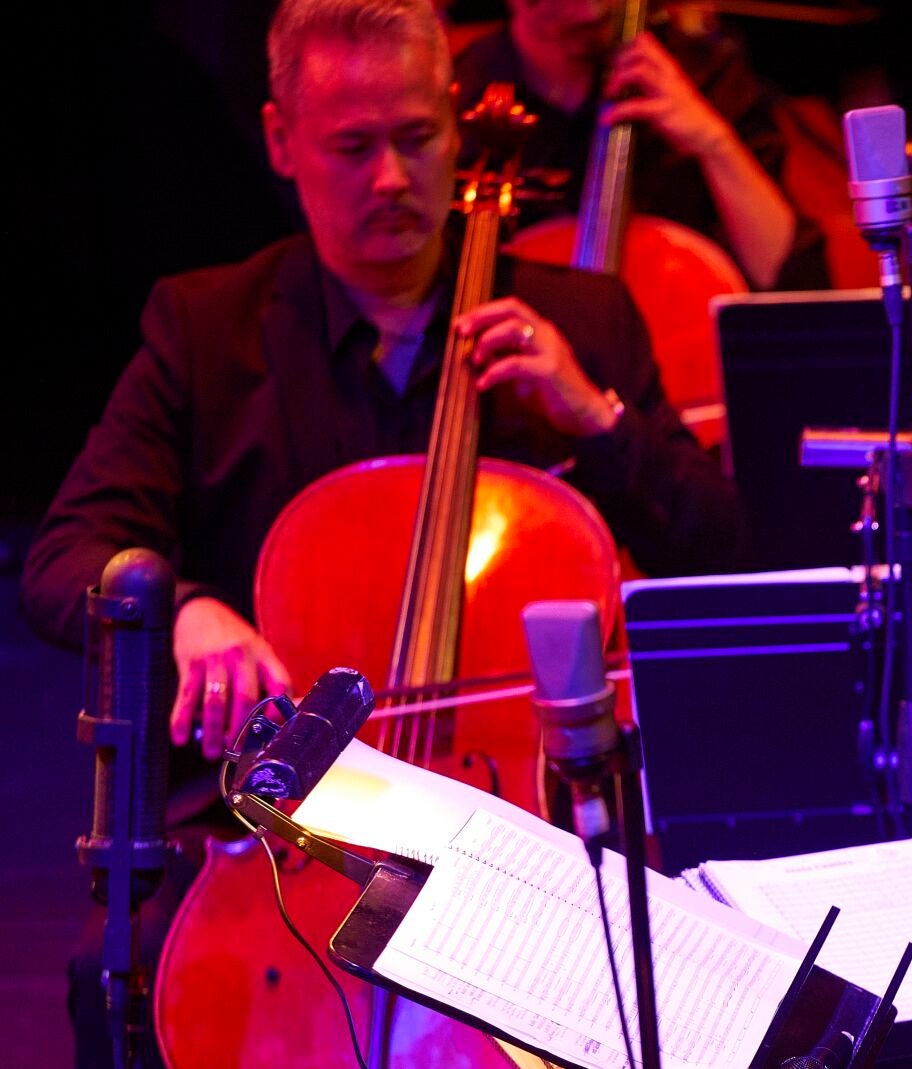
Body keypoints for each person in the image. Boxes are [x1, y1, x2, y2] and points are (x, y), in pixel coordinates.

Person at [22, 1, 741, 1058]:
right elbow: (61, 559)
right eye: (353, 148)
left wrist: (594, 419)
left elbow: (722, 557)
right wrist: (183, 608)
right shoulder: (206, 329)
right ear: (281, 140)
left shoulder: (583, 318)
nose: (395, 180)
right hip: (284, 829)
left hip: (524, 838)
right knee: (108, 974)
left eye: (416, 137)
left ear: (455, 119)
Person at [452, 0, 828, 290]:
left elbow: (795, 282)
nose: (592, 9)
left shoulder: (705, 73)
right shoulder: (462, 99)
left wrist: (714, 143)